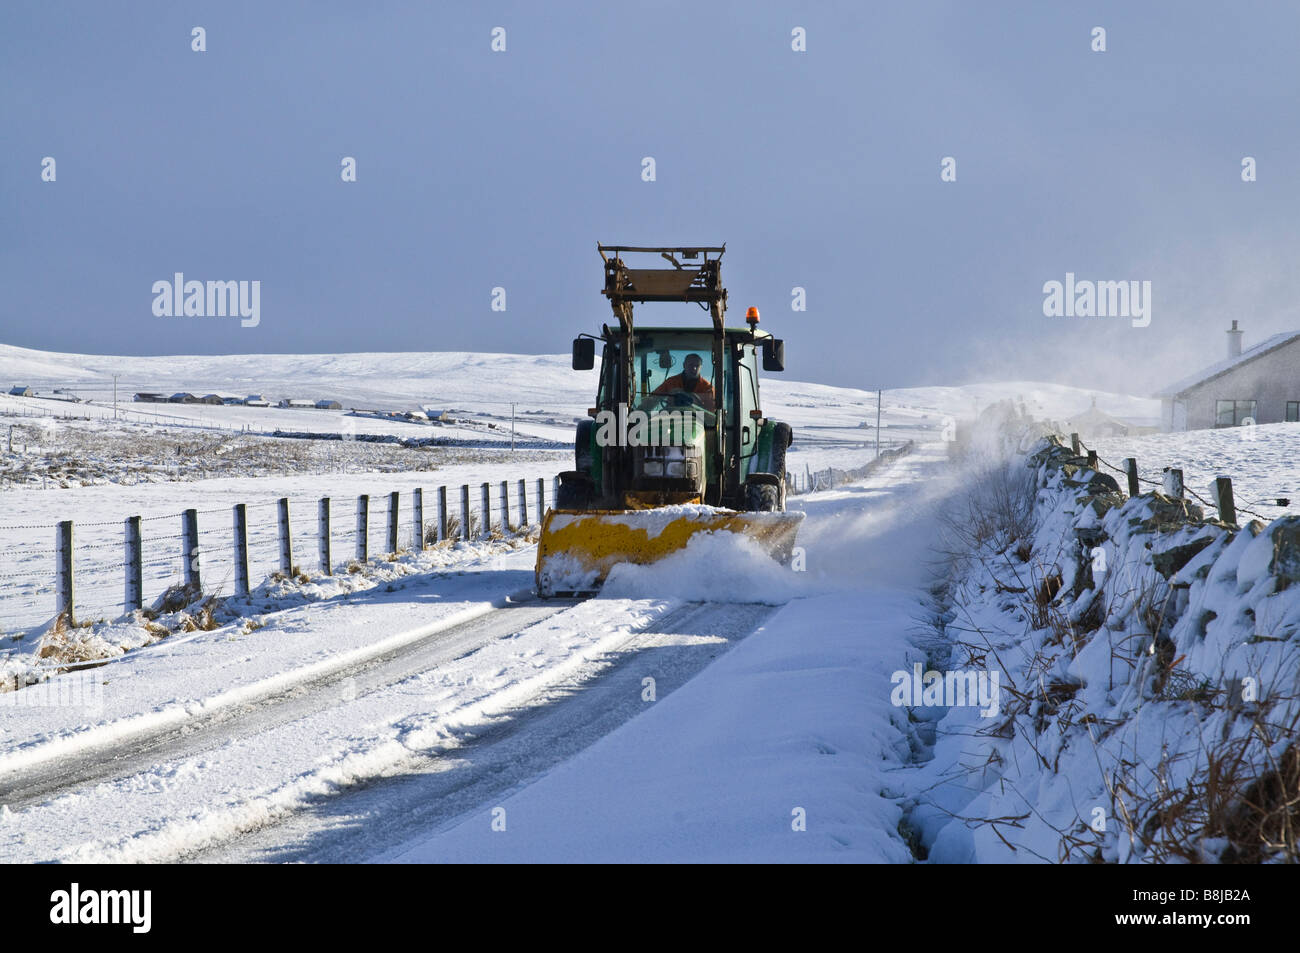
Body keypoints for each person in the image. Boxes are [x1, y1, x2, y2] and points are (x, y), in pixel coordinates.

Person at [642, 353, 715, 412]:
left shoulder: (707, 388)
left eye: (697, 366)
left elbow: (711, 415)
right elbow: (652, 400)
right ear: (684, 365)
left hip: (698, 425)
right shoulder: (671, 382)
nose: (694, 368)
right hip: (670, 422)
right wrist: (639, 412)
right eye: (691, 365)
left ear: (701, 367)